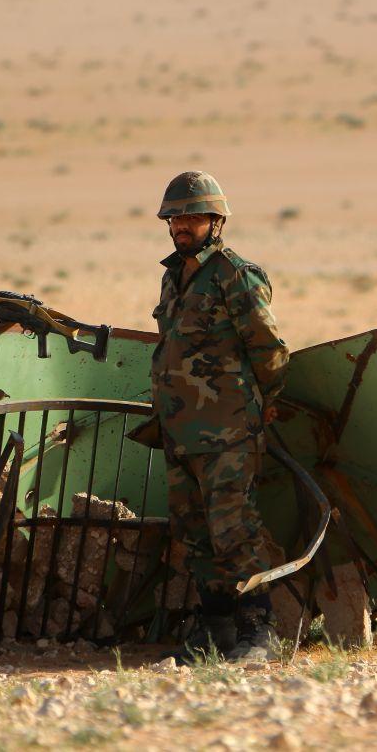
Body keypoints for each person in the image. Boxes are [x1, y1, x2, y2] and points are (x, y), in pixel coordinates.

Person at [146, 170, 289, 663]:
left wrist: (262, 406)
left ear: (215, 220)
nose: (180, 225)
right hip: (180, 432)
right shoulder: (173, 275)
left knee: (235, 529)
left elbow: (268, 348)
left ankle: (259, 631)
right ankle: (214, 629)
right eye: (174, 217)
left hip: (228, 430)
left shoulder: (235, 273)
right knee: (193, 532)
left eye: (191, 216)